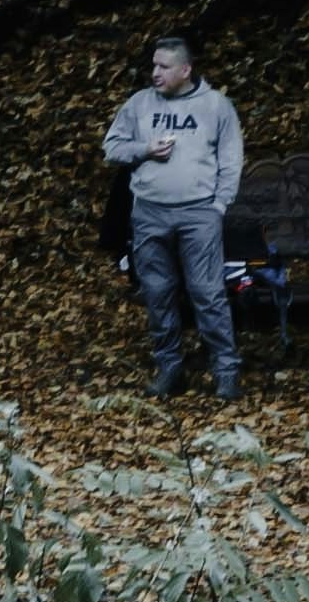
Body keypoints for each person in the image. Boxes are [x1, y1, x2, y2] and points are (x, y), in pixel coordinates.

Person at [104, 38, 247, 399]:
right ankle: (170, 368)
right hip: (150, 212)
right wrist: (144, 150)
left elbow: (231, 160)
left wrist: (218, 206)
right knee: (158, 292)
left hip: (198, 213)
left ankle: (226, 371)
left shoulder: (215, 106)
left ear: (185, 70)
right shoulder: (139, 104)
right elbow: (112, 147)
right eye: (153, 65)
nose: (155, 73)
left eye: (164, 67)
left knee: (207, 292)